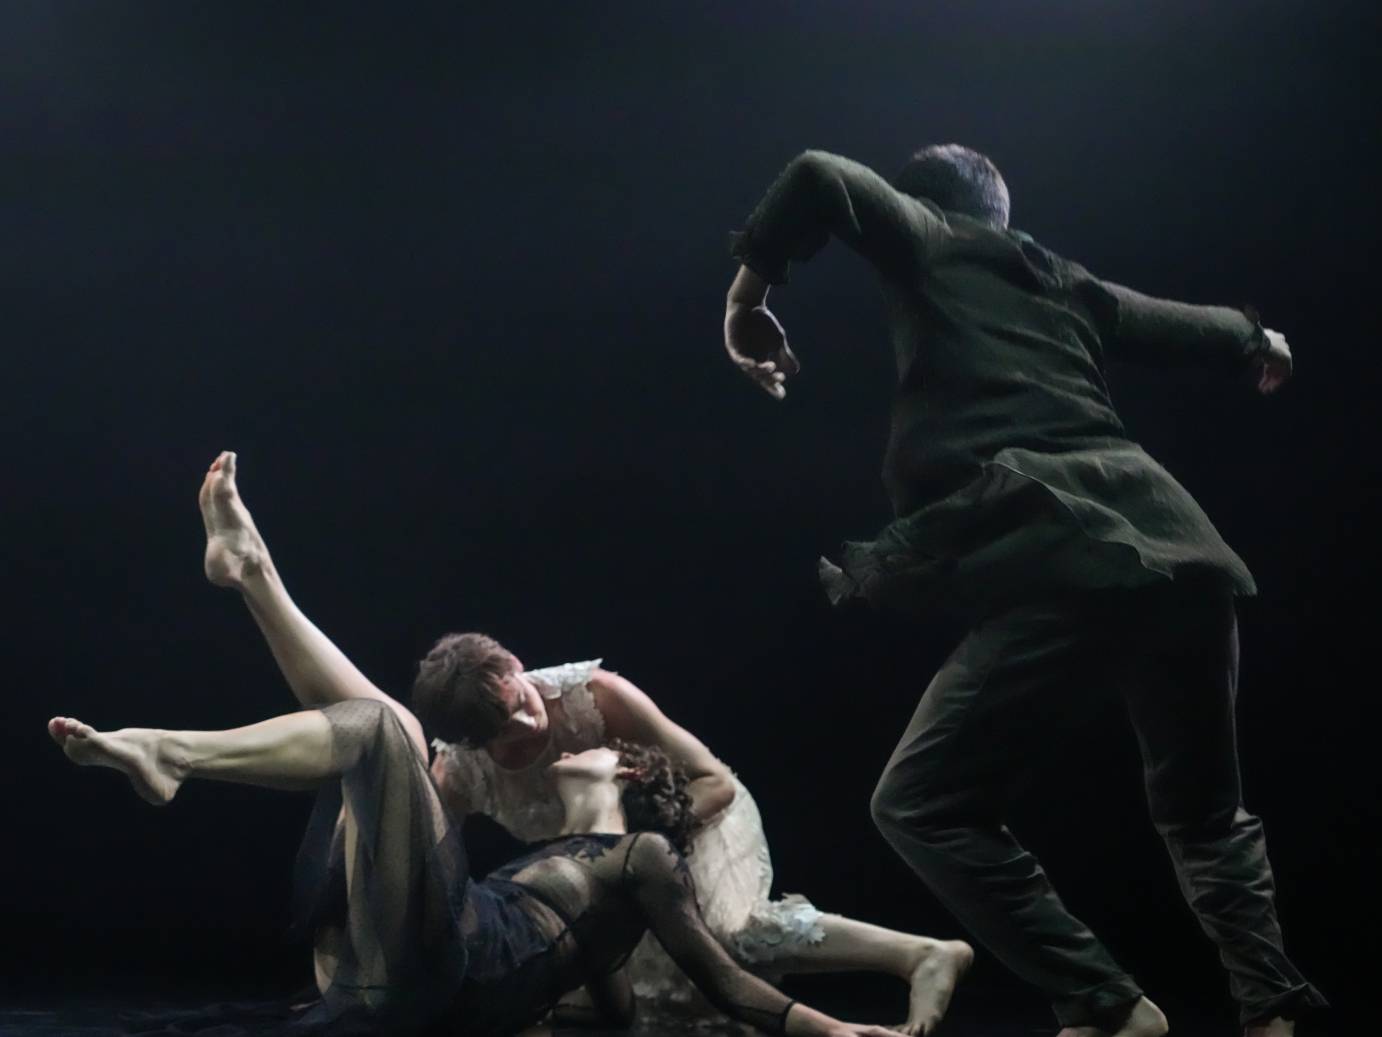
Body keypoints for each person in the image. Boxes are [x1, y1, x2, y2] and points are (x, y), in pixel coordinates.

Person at [720, 144, 1327, 1037]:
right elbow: (1168, 320)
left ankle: (1104, 1000)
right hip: (1181, 550)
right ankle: (1274, 1013)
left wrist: (746, 301)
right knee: (1204, 813)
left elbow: (818, 173)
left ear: (919, 204)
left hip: (1071, 549)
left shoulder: (929, 236)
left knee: (918, 800)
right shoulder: (1064, 280)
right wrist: (1256, 339)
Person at [46, 453, 908, 1037]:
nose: (552, 736)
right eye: (511, 726)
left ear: (623, 774)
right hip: (388, 961)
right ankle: (247, 594)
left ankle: (235, 629)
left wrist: (827, 1029)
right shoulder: (562, 858)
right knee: (385, 736)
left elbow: (705, 993)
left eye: (597, 749)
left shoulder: (640, 859)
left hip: (454, 972)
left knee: (390, 731)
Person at [423, 640, 971, 1033]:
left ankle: (921, 955)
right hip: (611, 866)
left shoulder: (594, 696)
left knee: (733, 933)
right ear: (469, 741)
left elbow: (715, 783)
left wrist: (638, 850)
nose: (526, 726)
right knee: (658, 1002)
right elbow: (434, 868)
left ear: (516, 667)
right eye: (498, 732)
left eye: (520, 702)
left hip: (697, 821)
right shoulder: (458, 772)